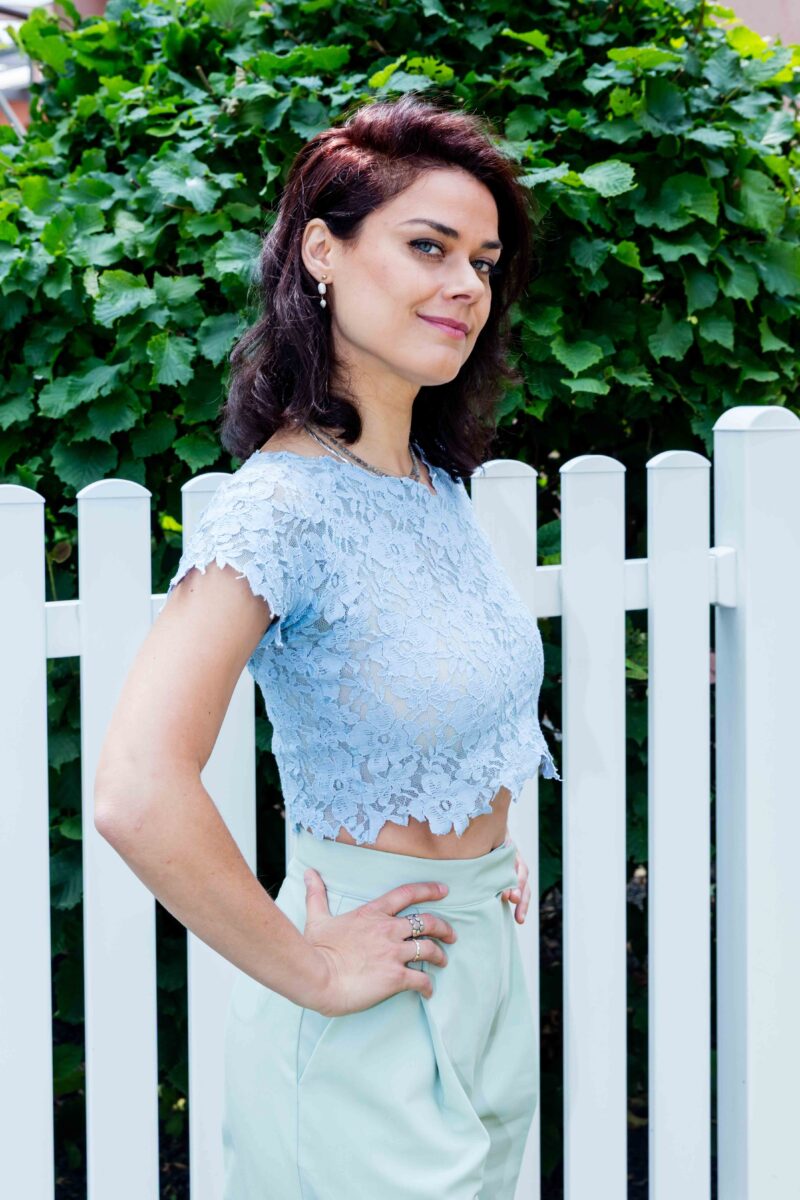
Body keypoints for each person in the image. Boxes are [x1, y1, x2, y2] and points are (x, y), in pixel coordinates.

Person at [94, 92, 561, 1200]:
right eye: (428, 246)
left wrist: (480, 870)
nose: (466, 285)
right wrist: (307, 966)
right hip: (364, 1024)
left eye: (484, 262)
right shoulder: (279, 510)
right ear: (322, 252)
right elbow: (134, 788)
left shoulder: (432, 486)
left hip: (479, 981)